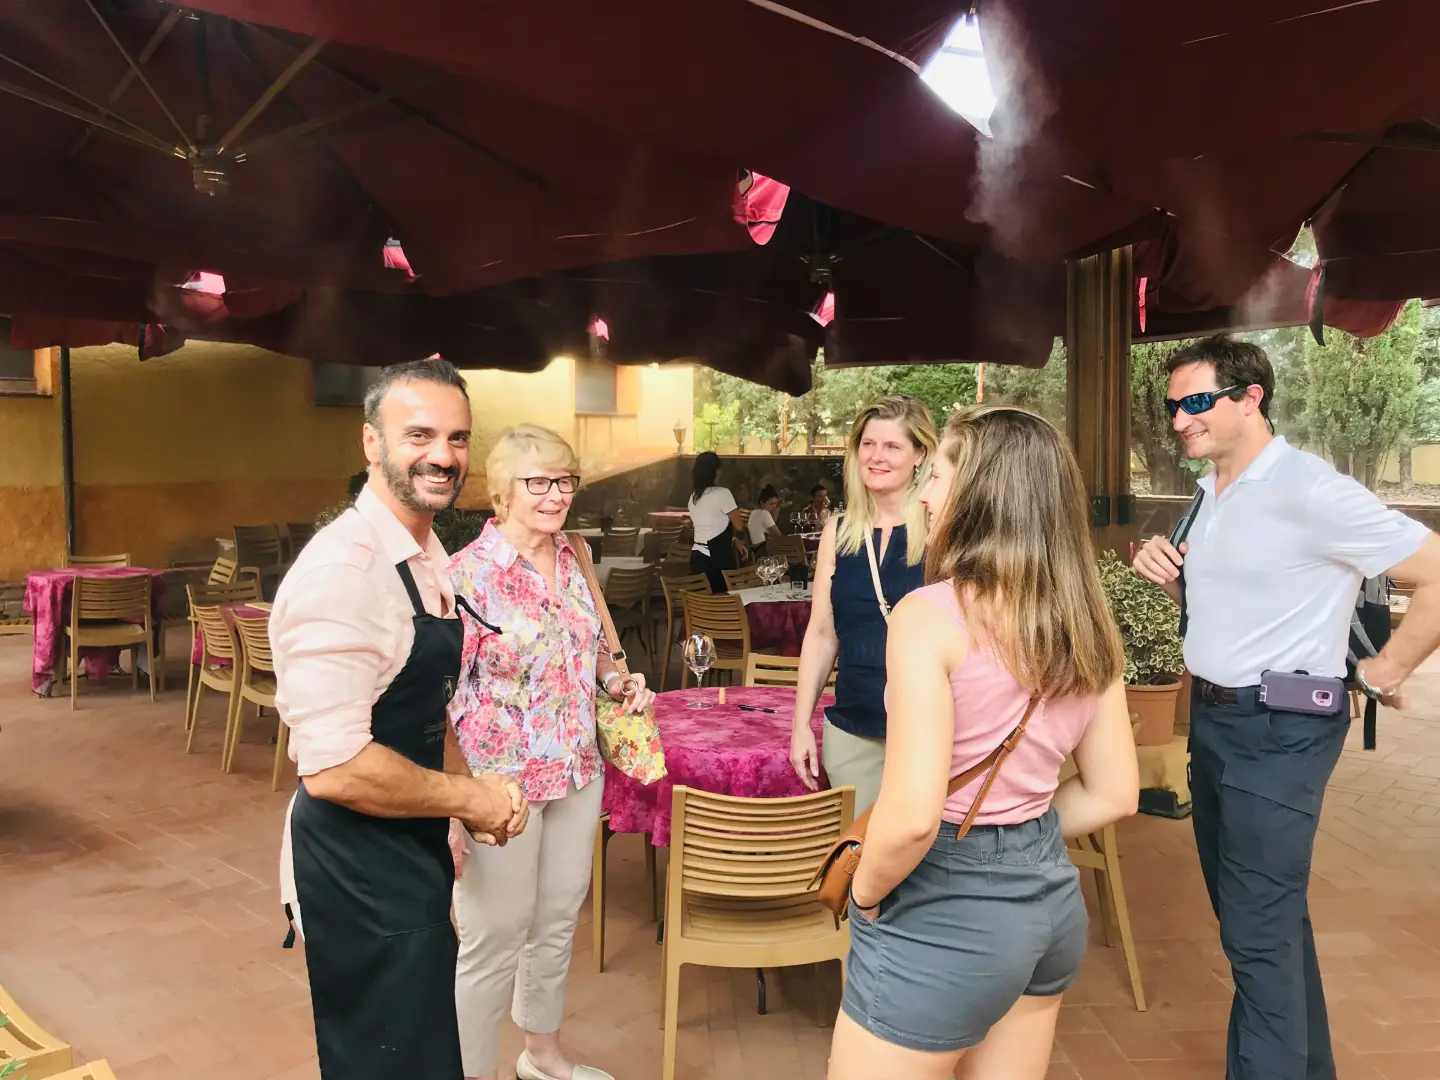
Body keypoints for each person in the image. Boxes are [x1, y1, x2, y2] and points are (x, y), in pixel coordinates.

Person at [1132, 336, 1440, 1080]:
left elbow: (1435, 572)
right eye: (1174, 406)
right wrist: (1169, 581)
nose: (1180, 420)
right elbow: (1234, 601)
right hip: (1215, 723)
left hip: (1280, 728)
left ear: (1250, 397)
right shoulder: (1211, 492)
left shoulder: (1309, 488)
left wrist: (1381, 668)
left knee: (1257, 933)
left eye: (1197, 402)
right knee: (1265, 922)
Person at [830, 406, 1140, 1080]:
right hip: (1049, 904)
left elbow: (911, 819)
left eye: (939, 473)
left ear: (981, 493)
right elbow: (1117, 792)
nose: (928, 492)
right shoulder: (1086, 616)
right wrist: (1019, 840)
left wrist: (864, 896)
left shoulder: (928, 616)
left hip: (945, 899)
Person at [271, 358, 529, 1080]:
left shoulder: (421, 554)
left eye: (457, 438)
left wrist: (461, 797)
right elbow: (333, 767)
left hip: (407, 850)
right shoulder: (344, 574)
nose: (442, 456)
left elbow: (418, 701)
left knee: (419, 1053)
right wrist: (471, 798)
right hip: (355, 867)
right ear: (370, 443)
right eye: (419, 435)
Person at [447, 424, 656, 1080]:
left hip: (576, 767)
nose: (555, 494)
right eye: (538, 482)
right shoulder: (464, 577)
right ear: (501, 493)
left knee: (557, 917)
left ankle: (542, 1057)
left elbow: (594, 640)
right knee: (493, 937)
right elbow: (436, 699)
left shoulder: (575, 556)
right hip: (498, 783)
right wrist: (453, 804)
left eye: (564, 480)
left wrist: (618, 680)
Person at [788, 395, 937, 813]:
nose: (876, 457)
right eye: (868, 444)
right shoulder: (838, 532)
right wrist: (801, 725)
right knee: (858, 862)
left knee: (923, 868)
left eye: (892, 447)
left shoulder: (941, 530)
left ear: (919, 454)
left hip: (928, 730)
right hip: (851, 728)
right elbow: (821, 634)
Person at [688, 450, 748, 592]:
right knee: (724, 601)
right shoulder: (723, 493)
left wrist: (733, 540)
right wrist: (739, 539)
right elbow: (738, 524)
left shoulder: (693, 496)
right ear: (716, 471)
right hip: (717, 555)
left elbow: (711, 526)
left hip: (697, 555)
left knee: (703, 602)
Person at [748, 484, 783, 556]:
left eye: (775, 504)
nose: (773, 507)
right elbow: (779, 536)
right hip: (763, 551)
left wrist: (776, 510)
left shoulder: (755, 512)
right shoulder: (764, 513)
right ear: (762, 502)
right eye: (771, 504)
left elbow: (772, 524)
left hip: (757, 550)